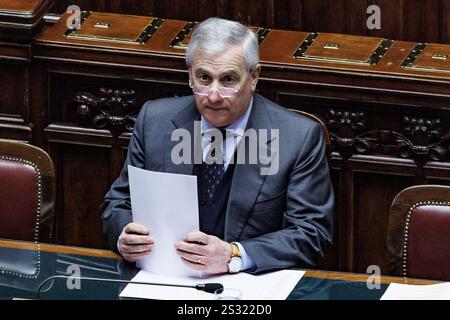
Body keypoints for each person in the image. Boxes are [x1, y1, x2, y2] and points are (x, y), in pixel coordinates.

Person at [101, 17, 334, 275]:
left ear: (254, 77)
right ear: (189, 74)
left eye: (228, 80)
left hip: (248, 288)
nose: (213, 95)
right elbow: (118, 203)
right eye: (203, 78)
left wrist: (234, 255)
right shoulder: (154, 120)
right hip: (163, 280)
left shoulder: (298, 137)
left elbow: (311, 233)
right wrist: (125, 236)